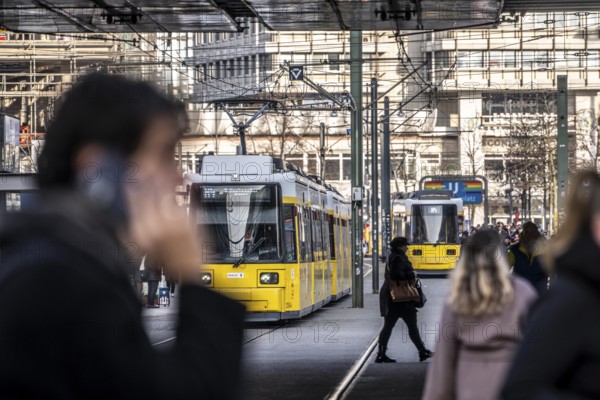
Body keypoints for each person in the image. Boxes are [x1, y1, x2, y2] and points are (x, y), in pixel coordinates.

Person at [0, 73, 245, 399]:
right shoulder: (66, 285)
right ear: (97, 169)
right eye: (162, 155)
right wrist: (189, 275)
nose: (177, 175)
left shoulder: (47, 256)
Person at [501, 171, 600, 400]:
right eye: (527, 230)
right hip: (527, 284)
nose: (529, 233)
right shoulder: (571, 300)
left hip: (537, 282)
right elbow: (521, 386)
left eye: (531, 230)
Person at [422, 230, 537, 400]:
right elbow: (538, 350)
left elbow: (443, 365)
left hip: (470, 388)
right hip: (513, 383)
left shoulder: (457, 299)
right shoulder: (522, 292)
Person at [376, 237, 433, 363]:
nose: (407, 248)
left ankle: (381, 353)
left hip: (393, 298)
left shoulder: (393, 256)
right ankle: (422, 351)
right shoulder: (398, 258)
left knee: (389, 326)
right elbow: (396, 275)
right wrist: (411, 274)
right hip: (402, 298)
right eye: (405, 246)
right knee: (412, 327)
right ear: (399, 247)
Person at [507, 221, 548, 293]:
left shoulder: (545, 249)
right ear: (523, 234)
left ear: (537, 234)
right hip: (520, 289)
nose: (530, 235)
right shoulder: (514, 250)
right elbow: (504, 266)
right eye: (527, 232)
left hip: (540, 287)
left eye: (532, 232)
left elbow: (552, 269)